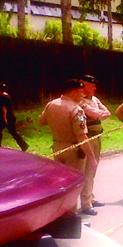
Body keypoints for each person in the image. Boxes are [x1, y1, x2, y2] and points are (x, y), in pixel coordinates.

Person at [39, 79, 98, 215]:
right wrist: (92, 157)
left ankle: (60, 213)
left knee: (61, 183)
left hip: (57, 146)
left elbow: (41, 121)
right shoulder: (76, 110)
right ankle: (71, 216)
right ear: (73, 92)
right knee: (73, 184)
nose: (82, 95)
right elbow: (82, 137)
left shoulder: (51, 104)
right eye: (80, 92)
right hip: (74, 150)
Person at [80, 75, 111, 208]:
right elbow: (94, 114)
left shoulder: (95, 99)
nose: (94, 87)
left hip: (97, 137)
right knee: (87, 169)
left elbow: (107, 112)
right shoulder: (80, 100)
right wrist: (100, 113)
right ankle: (86, 203)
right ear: (83, 84)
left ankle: (90, 197)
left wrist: (100, 113)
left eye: (94, 85)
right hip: (88, 138)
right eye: (91, 85)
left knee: (93, 169)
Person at [0, 82, 29, 151]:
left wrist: (5, 119)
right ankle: (24, 145)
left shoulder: (2, 97)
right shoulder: (7, 96)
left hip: (6, 118)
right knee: (13, 132)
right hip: (11, 117)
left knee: (11, 131)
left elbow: (4, 109)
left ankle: (24, 145)